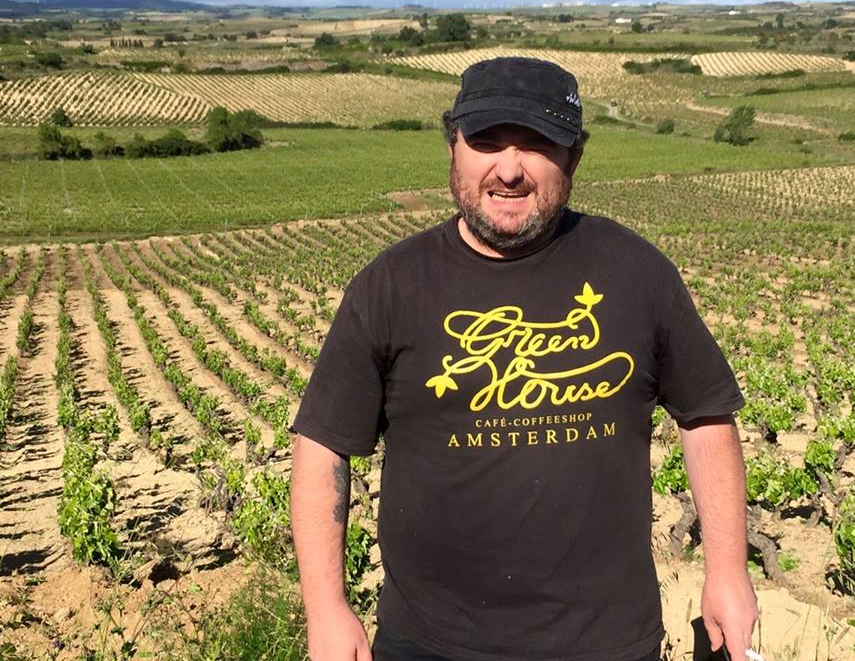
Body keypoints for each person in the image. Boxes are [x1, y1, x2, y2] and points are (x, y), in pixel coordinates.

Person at [290, 56, 758, 661]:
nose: (509, 169)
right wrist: (325, 607)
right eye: (486, 141)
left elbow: (705, 416)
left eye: (536, 144)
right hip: (430, 643)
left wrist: (728, 572)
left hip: (605, 643)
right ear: (452, 148)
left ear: (574, 158)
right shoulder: (391, 286)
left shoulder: (636, 273)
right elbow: (323, 444)